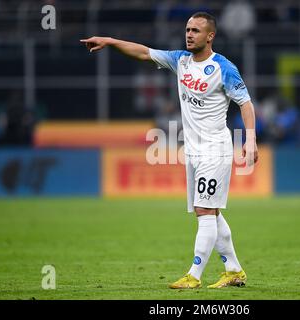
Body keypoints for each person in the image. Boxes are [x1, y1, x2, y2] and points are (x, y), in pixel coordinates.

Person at [80, 11, 258, 289]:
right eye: (187, 29)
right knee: (212, 212)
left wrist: (250, 140)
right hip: (194, 151)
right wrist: (111, 41)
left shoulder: (224, 67)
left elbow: (245, 104)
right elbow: (143, 53)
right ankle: (234, 271)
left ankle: (194, 275)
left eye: (196, 30)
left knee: (203, 210)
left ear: (210, 36)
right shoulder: (180, 60)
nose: (189, 34)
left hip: (216, 149)